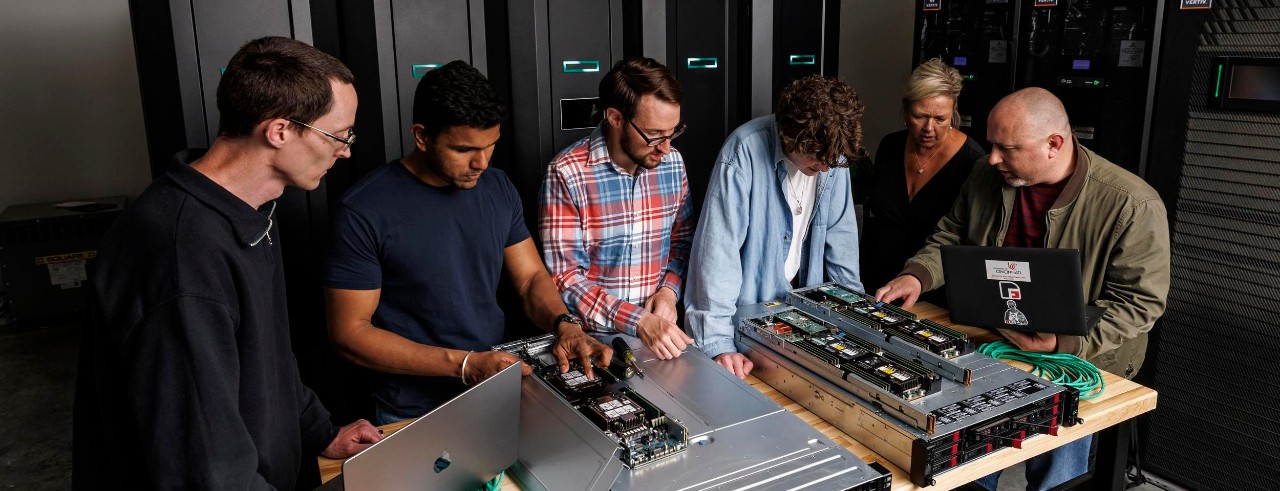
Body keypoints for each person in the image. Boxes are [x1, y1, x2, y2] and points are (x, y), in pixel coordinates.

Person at [72, 36, 381, 489]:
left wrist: (319, 431)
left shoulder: (246, 214)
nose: (346, 150)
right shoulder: (183, 257)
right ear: (279, 131)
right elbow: (204, 466)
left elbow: (268, 358)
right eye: (339, 135)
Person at [875, 87, 1170, 490]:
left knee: (1056, 475)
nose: (992, 157)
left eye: (1007, 148)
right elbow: (952, 235)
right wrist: (917, 276)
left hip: (1076, 359)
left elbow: (1139, 303)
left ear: (1054, 144)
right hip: (991, 340)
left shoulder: (1131, 203)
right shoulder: (986, 174)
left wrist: (1061, 343)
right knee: (968, 463)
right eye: (992, 144)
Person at [324, 60, 612, 425]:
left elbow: (529, 279)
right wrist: (463, 365)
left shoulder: (498, 186)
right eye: (463, 150)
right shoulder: (362, 210)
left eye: (490, 145)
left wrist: (565, 324)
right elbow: (350, 333)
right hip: (414, 408)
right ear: (422, 136)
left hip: (498, 386)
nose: (481, 162)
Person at [686, 75, 867, 379]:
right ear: (787, 134)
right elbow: (717, 258)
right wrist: (718, 345)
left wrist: (856, 321)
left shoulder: (831, 157)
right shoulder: (742, 152)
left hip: (806, 325)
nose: (824, 169)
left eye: (830, 162)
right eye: (815, 161)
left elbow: (842, 247)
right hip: (746, 334)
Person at [539, 58, 696, 360]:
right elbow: (565, 279)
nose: (665, 148)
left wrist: (668, 292)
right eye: (654, 135)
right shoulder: (567, 173)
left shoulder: (673, 164)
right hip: (591, 346)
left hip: (663, 340)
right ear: (615, 118)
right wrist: (638, 322)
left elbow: (682, 244)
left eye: (672, 132)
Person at [855, 59, 985, 307]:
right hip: (876, 283)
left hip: (934, 293)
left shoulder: (973, 162)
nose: (929, 128)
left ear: (953, 112)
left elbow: (964, 240)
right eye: (920, 116)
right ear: (905, 110)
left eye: (940, 119)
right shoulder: (890, 146)